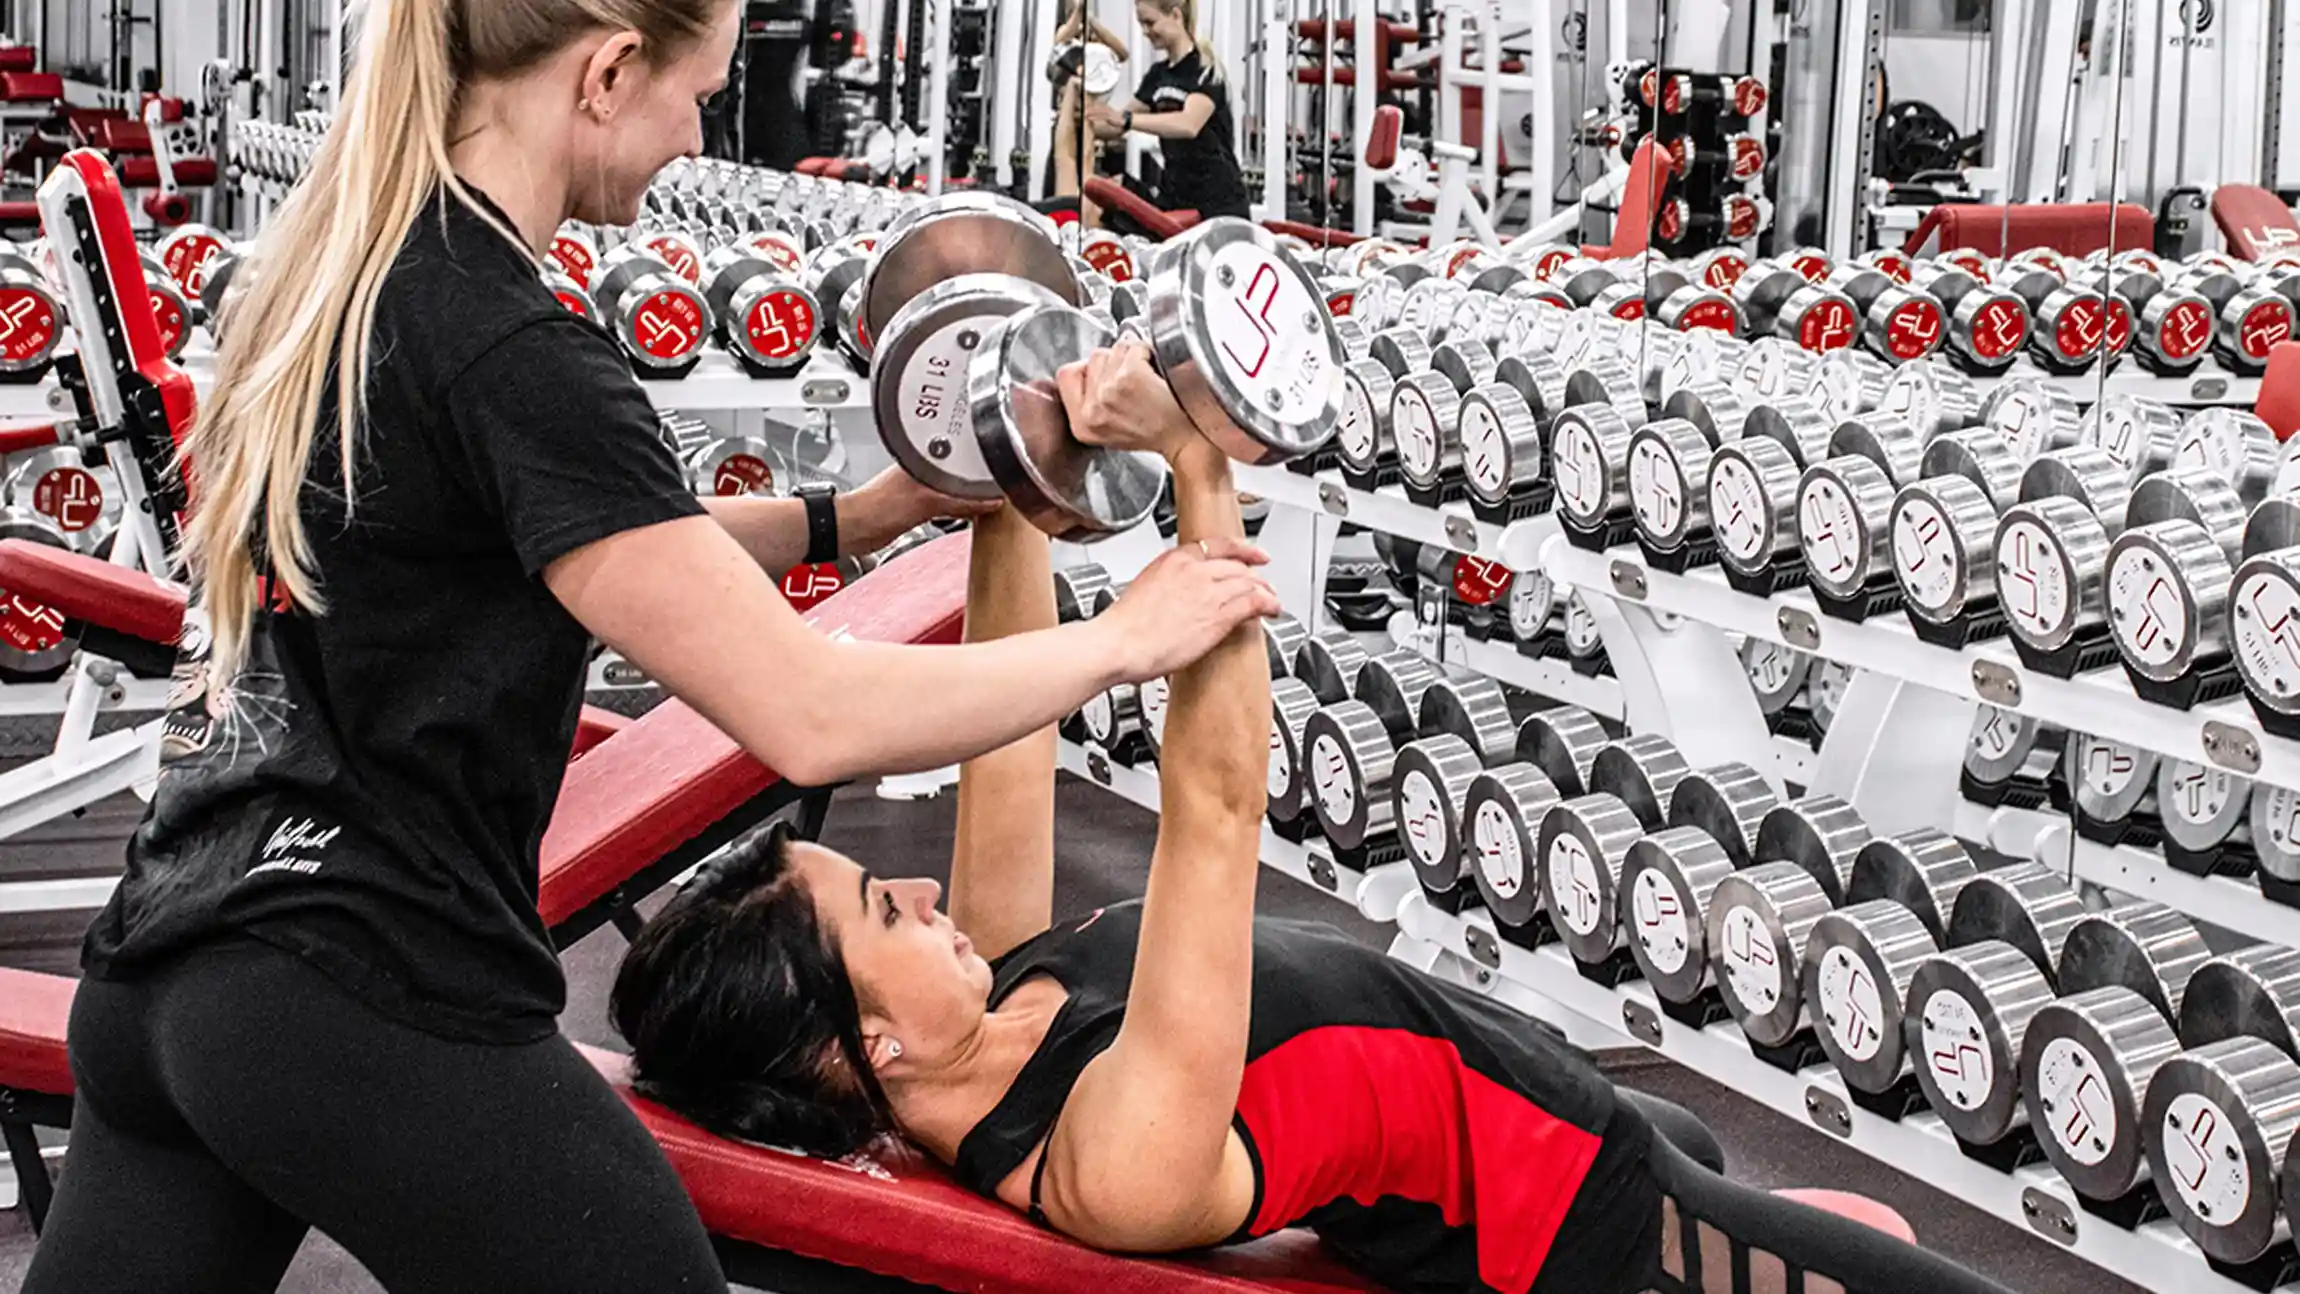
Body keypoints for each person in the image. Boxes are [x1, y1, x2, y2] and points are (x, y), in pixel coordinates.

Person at [21, 0, 1278, 1291]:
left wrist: (863, 514)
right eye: (701, 92)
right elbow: (813, 712)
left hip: (170, 969)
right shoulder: (517, 347)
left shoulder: (361, 269)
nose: (698, 131)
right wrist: (1130, 637)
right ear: (611, 71)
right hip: (360, 987)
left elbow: (594, 538)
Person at [611, 358, 2022, 1294]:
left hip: (1540, 1102)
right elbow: (1218, 812)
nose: (921, 898)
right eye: (882, 913)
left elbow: (1012, 738)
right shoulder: (1108, 1154)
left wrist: (1008, 484)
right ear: (874, 1042)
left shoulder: (970, 1034)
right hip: (1581, 1229)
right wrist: (1199, 465)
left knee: (1705, 1144)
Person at [1080, 0, 1250, 230]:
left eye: (1150, 23)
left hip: (1217, 204)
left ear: (1176, 15)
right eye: (1141, 24)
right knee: (1105, 197)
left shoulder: (1206, 69)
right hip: (1174, 195)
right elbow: (1113, 127)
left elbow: (1189, 124)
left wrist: (1129, 120)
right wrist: (1084, 108)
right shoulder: (1158, 75)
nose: (1145, 32)